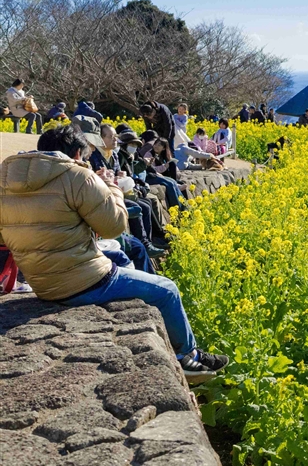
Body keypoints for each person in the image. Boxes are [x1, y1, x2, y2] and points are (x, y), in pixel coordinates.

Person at [0, 124, 227, 380]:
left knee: (120, 256)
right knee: (167, 290)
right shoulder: (76, 175)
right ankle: (187, 356)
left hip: (41, 282)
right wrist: (111, 188)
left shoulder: (6, 178)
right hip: (80, 283)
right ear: (77, 153)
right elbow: (114, 226)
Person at [83, 121, 159, 270]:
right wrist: (104, 179)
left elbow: (116, 174)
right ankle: (145, 245)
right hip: (104, 204)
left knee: (145, 205)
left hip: (112, 196)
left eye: (115, 136)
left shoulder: (113, 155)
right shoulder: (92, 157)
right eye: (110, 137)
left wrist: (117, 176)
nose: (115, 139)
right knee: (138, 209)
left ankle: (148, 242)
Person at [120, 129, 186, 211]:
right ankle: (178, 209)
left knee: (172, 182)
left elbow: (141, 164)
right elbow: (135, 169)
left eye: (135, 145)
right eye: (132, 144)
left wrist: (146, 164)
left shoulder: (134, 154)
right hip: (145, 178)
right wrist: (146, 164)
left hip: (150, 175)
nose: (134, 147)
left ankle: (184, 206)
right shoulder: (121, 156)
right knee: (169, 184)